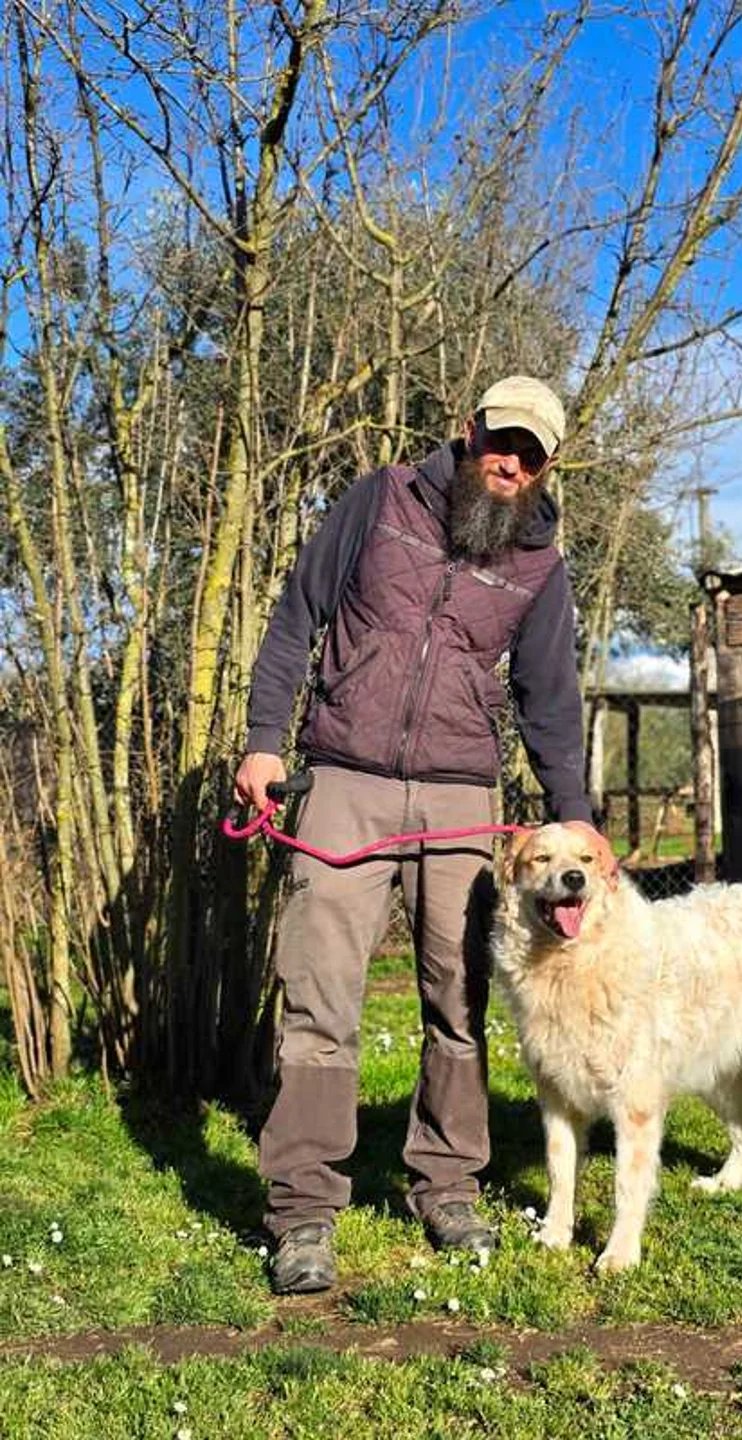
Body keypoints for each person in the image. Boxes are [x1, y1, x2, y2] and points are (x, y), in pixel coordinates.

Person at [233, 375, 592, 1294]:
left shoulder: (541, 565)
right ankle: (304, 1213)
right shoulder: (380, 500)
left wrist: (574, 810)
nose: (511, 463)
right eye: (502, 440)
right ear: (468, 430)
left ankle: (448, 1186)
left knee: (460, 998)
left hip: (463, 795)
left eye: (533, 454)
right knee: (319, 996)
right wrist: (264, 743)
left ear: (549, 467)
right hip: (344, 780)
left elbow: (548, 698)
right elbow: (295, 616)